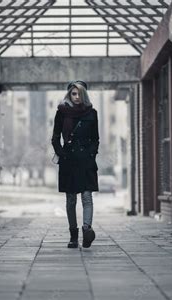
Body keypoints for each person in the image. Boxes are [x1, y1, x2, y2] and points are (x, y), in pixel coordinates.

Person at [51, 80, 99, 249]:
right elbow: (55, 137)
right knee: (71, 200)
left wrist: (91, 154)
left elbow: (95, 139)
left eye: (79, 93)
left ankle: (87, 230)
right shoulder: (62, 112)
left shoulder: (92, 113)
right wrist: (62, 155)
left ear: (84, 94)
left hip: (86, 161)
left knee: (87, 197)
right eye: (73, 93)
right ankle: (73, 236)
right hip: (68, 161)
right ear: (69, 94)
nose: (77, 97)